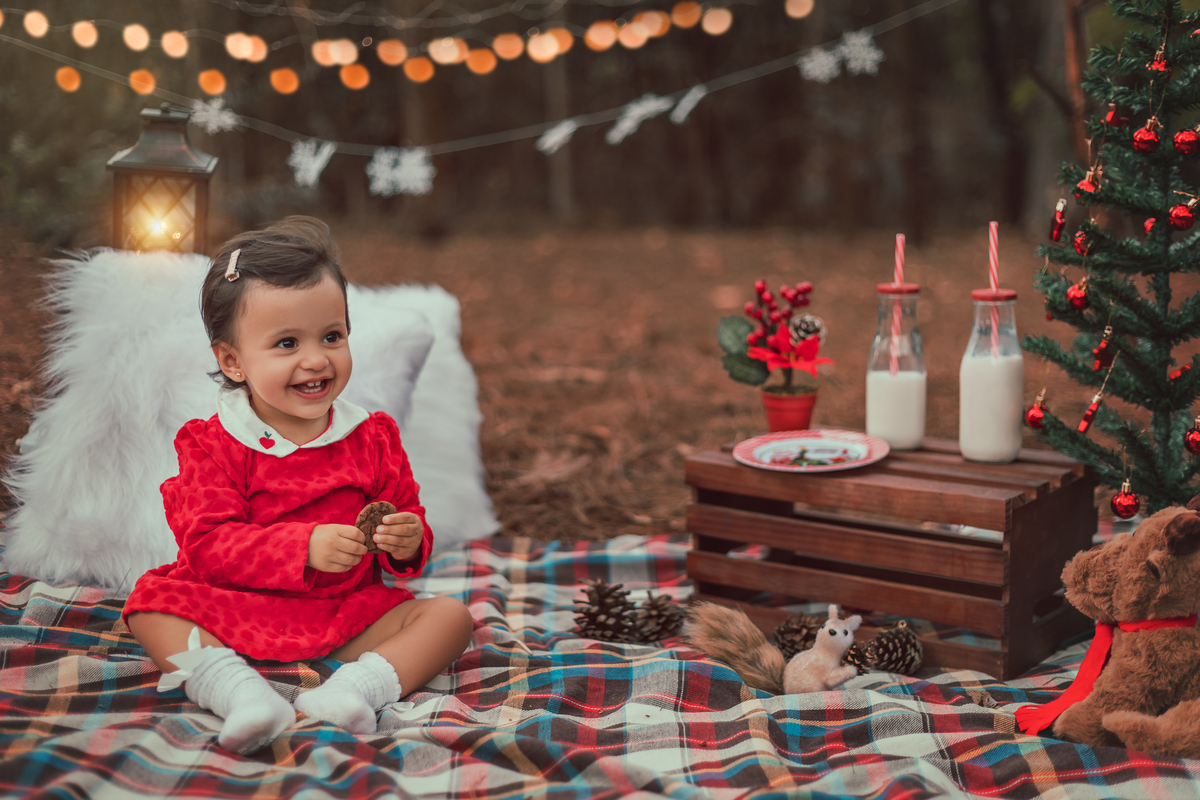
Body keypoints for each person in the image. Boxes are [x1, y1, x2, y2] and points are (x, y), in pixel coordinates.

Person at [123, 216, 474, 755]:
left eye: (331, 336)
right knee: (150, 605)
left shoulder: (372, 437)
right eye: (287, 343)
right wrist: (303, 547)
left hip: (343, 612)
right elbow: (207, 546)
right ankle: (237, 691)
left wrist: (407, 543)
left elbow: (406, 519)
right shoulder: (212, 445)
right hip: (235, 606)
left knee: (450, 617)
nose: (316, 359)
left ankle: (354, 690)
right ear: (233, 361)